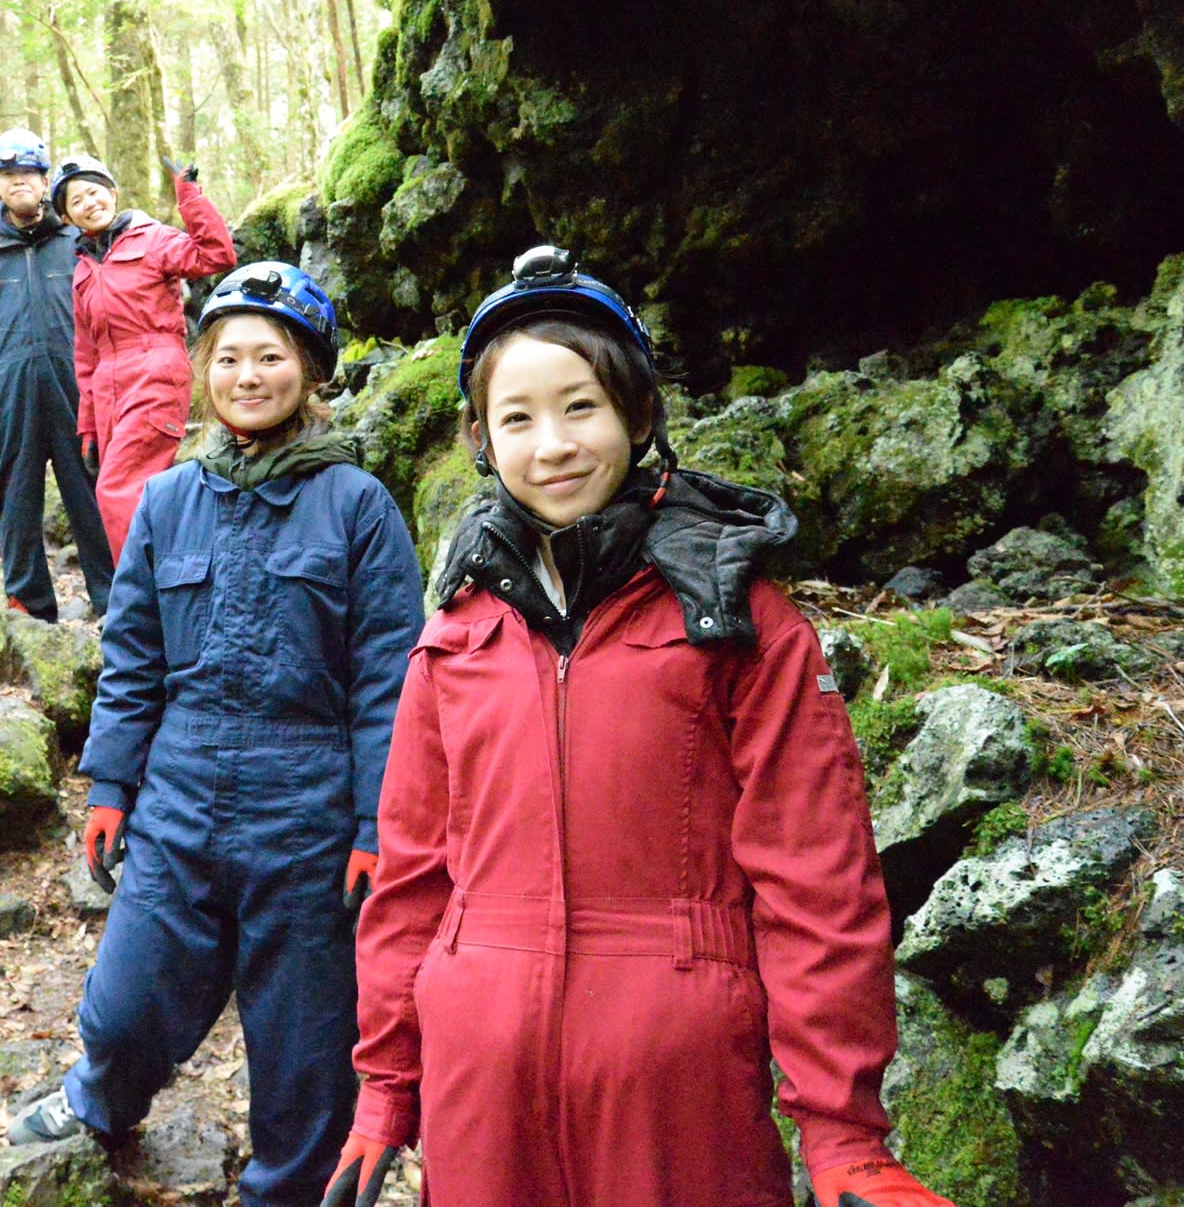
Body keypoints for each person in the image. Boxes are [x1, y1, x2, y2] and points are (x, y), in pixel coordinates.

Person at [326, 246, 954, 1207]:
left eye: (581, 407)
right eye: (518, 419)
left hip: (680, 1088)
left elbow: (818, 878)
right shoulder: (454, 634)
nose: (554, 446)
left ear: (640, 412)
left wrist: (841, 1134)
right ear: (482, 443)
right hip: (480, 1091)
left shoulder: (742, 622)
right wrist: (385, 1091)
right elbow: (413, 879)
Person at [6, 261, 425, 1207]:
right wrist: (111, 785)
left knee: (305, 1039)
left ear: (309, 372)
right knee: (124, 1002)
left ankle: (286, 1189)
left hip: (308, 801)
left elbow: (389, 684)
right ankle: (98, 1102)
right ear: (202, 370)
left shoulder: (359, 506)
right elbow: (135, 657)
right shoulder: (167, 499)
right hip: (182, 788)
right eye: (228, 356)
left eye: (270, 357)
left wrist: (375, 826)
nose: (247, 375)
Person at [0, 127, 113, 623]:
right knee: (15, 502)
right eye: (9, 175)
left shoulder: (77, 243)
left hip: (75, 392)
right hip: (8, 396)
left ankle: (112, 601)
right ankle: (29, 608)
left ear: (45, 181)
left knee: (89, 494)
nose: (20, 183)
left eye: (29, 174)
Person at [51, 152, 238, 559]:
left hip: (155, 370)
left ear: (113, 193)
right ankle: (168, 583)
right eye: (76, 201)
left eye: (94, 192)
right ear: (67, 218)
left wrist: (188, 195)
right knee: (135, 490)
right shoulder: (82, 271)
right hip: (107, 390)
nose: (89, 203)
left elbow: (216, 255)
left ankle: (141, 600)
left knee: (119, 489)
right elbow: (86, 356)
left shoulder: (151, 238)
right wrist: (89, 430)